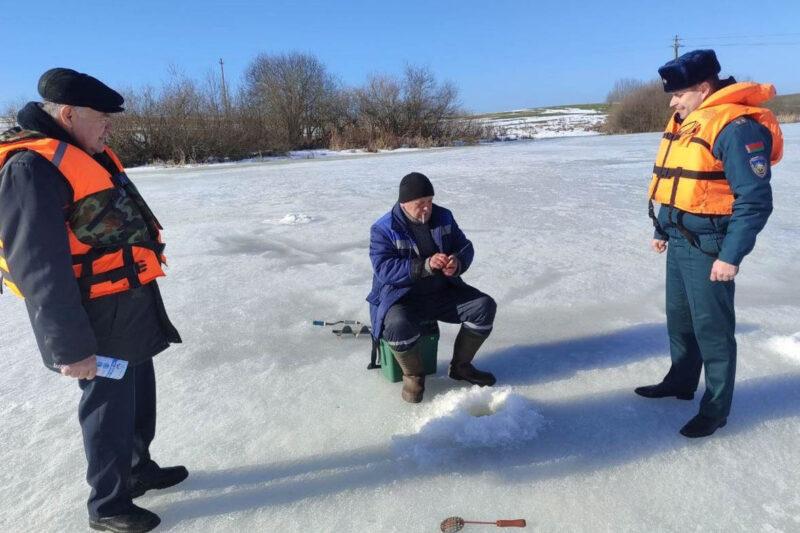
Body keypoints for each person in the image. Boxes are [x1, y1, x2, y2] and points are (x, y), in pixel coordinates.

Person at [0, 68, 186, 532]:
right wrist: (70, 347)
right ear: (68, 114)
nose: (109, 127)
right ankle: (108, 505)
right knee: (108, 409)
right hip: (92, 317)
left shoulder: (85, 152)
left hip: (127, 300)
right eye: (102, 118)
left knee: (140, 395)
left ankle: (138, 469)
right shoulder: (31, 167)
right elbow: (38, 266)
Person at [637, 50, 783, 438]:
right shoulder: (689, 121)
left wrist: (731, 256)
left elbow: (754, 201)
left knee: (713, 330)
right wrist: (662, 229)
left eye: (679, 94)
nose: (672, 102)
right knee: (681, 322)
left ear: (704, 88)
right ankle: (681, 383)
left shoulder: (736, 128)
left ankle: (716, 408)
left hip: (710, 247)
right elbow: (681, 184)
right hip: (679, 239)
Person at [367, 172, 497, 403]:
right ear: (404, 203)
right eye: (420, 204)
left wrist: (457, 262)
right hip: (402, 299)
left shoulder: (443, 216)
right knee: (397, 325)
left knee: (484, 307)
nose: (427, 208)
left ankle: (461, 367)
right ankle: (413, 376)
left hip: (442, 292)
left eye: (430, 201)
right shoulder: (383, 229)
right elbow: (384, 269)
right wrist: (424, 266)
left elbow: (465, 246)